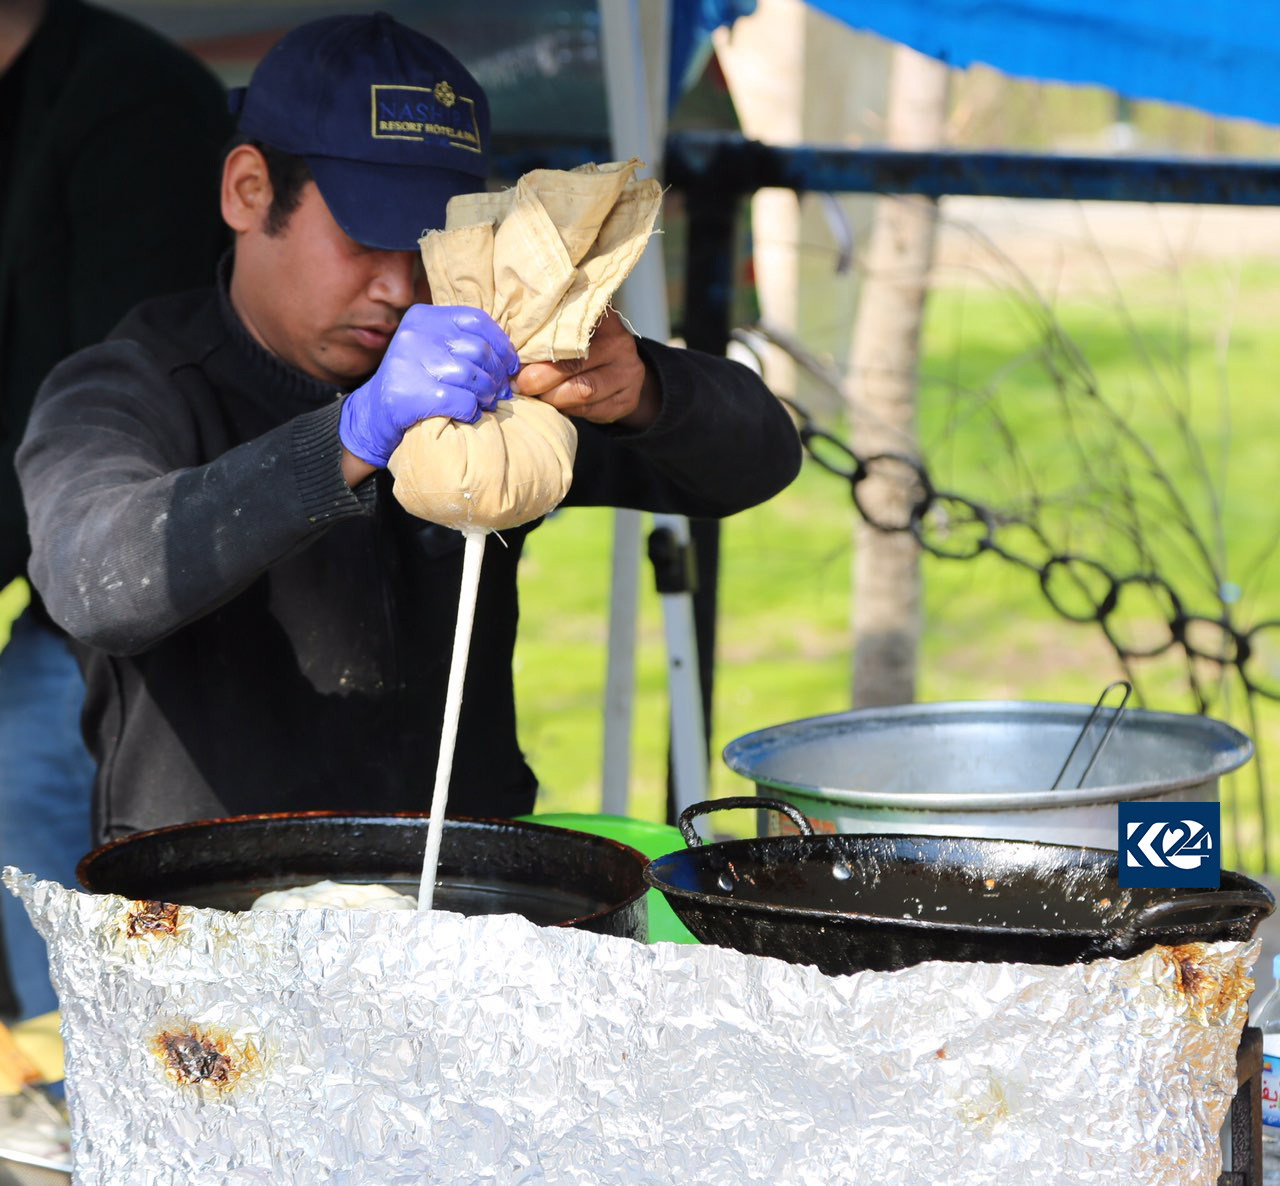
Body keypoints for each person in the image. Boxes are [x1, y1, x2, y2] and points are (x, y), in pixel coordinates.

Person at [16, 12, 801, 846]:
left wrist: (641, 387)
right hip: (209, 893)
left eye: (431, 244)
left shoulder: (482, 373)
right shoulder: (129, 384)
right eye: (363, 236)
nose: (399, 287)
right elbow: (98, 584)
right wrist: (350, 437)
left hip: (460, 879)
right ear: (248, 190)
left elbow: (761, 460)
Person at [0, 0, 229, 1018]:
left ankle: (85, 1082)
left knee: (29, 770)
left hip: (164, 576)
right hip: (56, 571)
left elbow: (101, 422)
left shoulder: (136, 105)